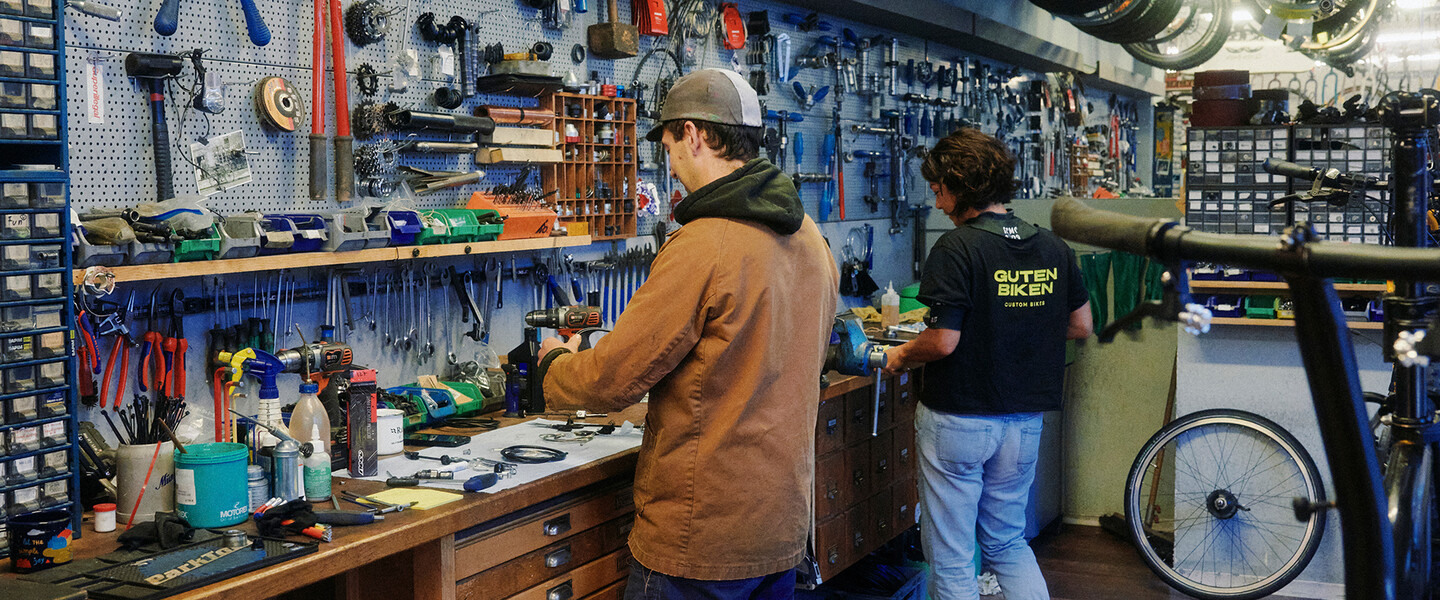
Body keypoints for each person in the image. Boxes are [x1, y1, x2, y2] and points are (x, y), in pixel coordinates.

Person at [535, 68, 840, 600]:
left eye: (670, 145)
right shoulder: (810, 237)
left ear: (695, 135)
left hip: (702, 538)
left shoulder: (704, 244)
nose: (670, 166)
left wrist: (554, 367)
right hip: (781, 524)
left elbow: (611, 379)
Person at [881, 129, 1092, 600]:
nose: (937, 204)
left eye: (939, 191)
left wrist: (899, 355)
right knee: (1007, 543)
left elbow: (941, 341)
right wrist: (1018, 324)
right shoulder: (1052, 247)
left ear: (961, 186)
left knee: (953, 559)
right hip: (1023, 421)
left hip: (959, 418)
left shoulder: (957, 248)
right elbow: (1081, 325)